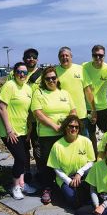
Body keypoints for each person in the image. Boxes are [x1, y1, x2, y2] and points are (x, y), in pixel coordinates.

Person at [31, 66, 76, 203]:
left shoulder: (65, 93)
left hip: (65, 133)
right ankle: (47, 188)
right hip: (47, 135)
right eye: (48, 78)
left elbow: (73, 111)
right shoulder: (39, 93)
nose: (51, 80)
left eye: (53, 78)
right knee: (47, 163)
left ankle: (62, 185)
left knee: (63, 161)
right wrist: (55, 126)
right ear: (44, 80)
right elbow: (38, 113)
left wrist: (68, 125)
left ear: (57, 79)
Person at [0, 62, 36, 199]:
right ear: (14, 73)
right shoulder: (10, 85)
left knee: (23, 158)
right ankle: (15, 187)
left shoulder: (27, 89)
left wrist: (30, 127)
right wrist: (9, 130)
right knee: (20, 159)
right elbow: (2, 108)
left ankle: (22, 183)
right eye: (19, 72)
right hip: (9, 131)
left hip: (22, 130)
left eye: (25, 73)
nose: (22, 75)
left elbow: (27, 111)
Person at [7, 48, 42, 182]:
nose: (31, 59)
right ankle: (25, 171)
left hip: (36, 119)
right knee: (24, 148)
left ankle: (39, 171)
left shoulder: (42, 74)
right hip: (20, 119)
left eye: (33, 57)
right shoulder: (13, 74)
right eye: (28, 57)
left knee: (37, 147)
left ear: (37, 59)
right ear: (23, 58)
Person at [47, 115, 95, 207]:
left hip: (82, 174)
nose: (74, 129)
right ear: (65, 127)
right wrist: (69, 181)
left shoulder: (86, 141)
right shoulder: (57, 145)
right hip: (65, 177)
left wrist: (79, 173)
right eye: (71, 126)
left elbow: (91, 162)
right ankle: (62, 190)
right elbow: (56, 168)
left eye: (76, 127)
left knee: (93, 176)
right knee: (73, 200)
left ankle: (83, 190)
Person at [82, 45, 107, 156]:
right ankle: (95, 156)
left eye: (100, 55)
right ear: (92, 56)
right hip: (87, 108)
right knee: (90, 134)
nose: (97, 58)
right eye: (95, 55)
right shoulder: (84, 67)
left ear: (104, 56)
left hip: (103, 107)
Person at [56, 46, 96, 137]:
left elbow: (88, 91)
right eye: (62, 56)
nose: (64, 57)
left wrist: (94, 109)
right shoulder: (55, 72)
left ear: (71, 57)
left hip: (81, 115)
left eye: (67, 55)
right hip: (63, 115)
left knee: (84, 141)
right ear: (59, 58)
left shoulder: (80, 69)